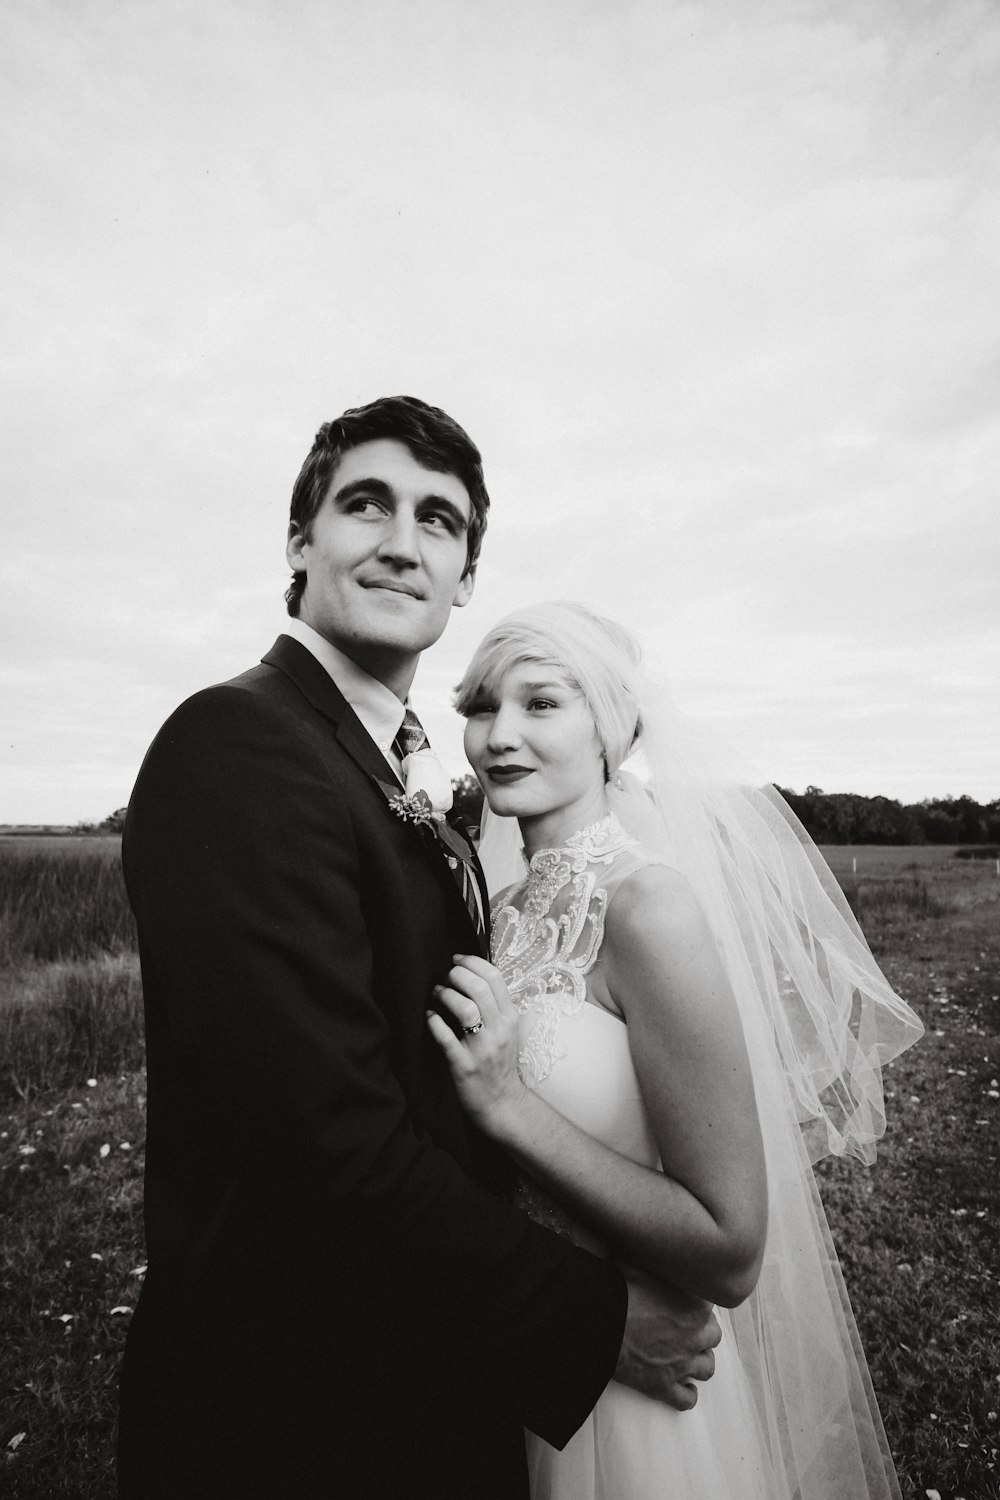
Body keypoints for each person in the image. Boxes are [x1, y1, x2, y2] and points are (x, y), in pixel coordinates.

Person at [116, 400, 721, 1500]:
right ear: (300, 544)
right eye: (366, 505)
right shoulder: (238, 744)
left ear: (463, 575)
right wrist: (593, 1318)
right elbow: (321, 1151)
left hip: (409, 1377)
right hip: (296, 1421)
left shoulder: (376, 771)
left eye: (438, 521)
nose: (403, 541)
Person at [431, 600, 924, 1499]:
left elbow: (731, 1249)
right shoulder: (498, 912)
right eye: (481, 705)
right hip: (527, 1354)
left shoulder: (648, 908)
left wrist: (510, 1107)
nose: (499, 735)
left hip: (633, 1394)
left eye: (541, 704)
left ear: (611, 728)